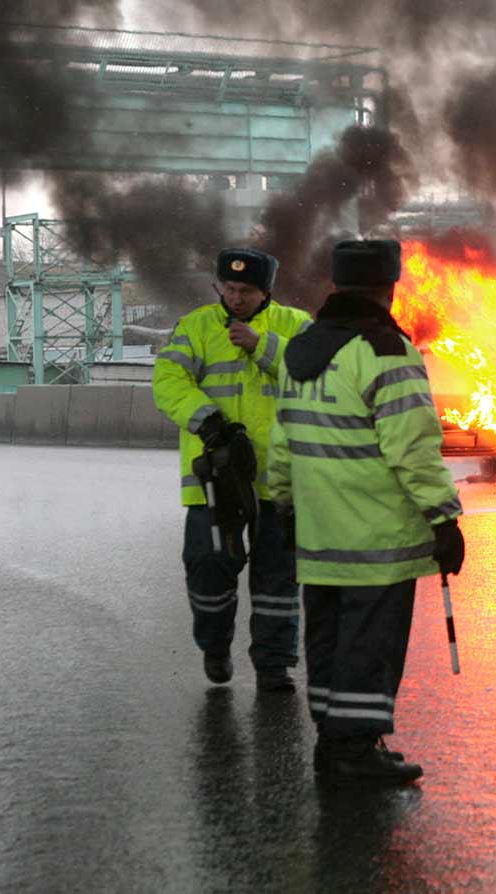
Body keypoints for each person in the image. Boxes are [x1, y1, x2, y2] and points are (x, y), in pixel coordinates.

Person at [268, 238, 465, 785]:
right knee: (370, 646)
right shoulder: (386, 350)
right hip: (377, 537)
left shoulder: (301, 348)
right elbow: (413, 450)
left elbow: (282, 439)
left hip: (320, 534)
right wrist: (444, 518)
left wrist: (282, 503)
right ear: (389, 286)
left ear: (336, 284)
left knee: (328, 640)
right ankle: (354, 753)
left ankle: (334, 743)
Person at [152, 248, 312, 692]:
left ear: (267, 291)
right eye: (229, 288)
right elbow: (167, 382)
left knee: (278, 580)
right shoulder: (195, 327)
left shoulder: (296, 326)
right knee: (207, 566)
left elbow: (319, 376)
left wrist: (263, 347)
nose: (235, 297)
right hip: (215, 479)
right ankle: (215, 646)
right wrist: (209, 421)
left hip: (280, 477)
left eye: (246, 291)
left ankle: (274, 665)